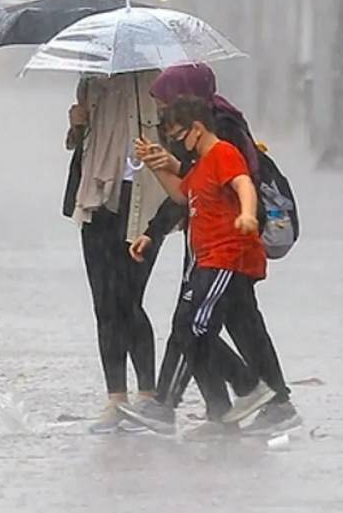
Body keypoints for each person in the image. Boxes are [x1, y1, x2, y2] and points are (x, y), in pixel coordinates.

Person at [119, 67, 297, 436]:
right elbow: (188, 190)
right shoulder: (200, 137)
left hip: (226, 246)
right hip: (214, 244)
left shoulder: (221, 135)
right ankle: (245, 408)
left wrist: (246, 215)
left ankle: (183, 402)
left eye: (167, 105)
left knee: (191, 326)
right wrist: (160, 182)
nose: (164, 115)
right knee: (238, 326)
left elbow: (235, 182)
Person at [63, 71, 168, 433]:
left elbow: (177, 144)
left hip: (143, 202)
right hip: (96, 200)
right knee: (104, 303)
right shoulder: (90, 82)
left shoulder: (157, 84)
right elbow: (81, 147)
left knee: (128, 299)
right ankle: (116, 398)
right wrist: (77, 126)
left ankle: (148, 396)